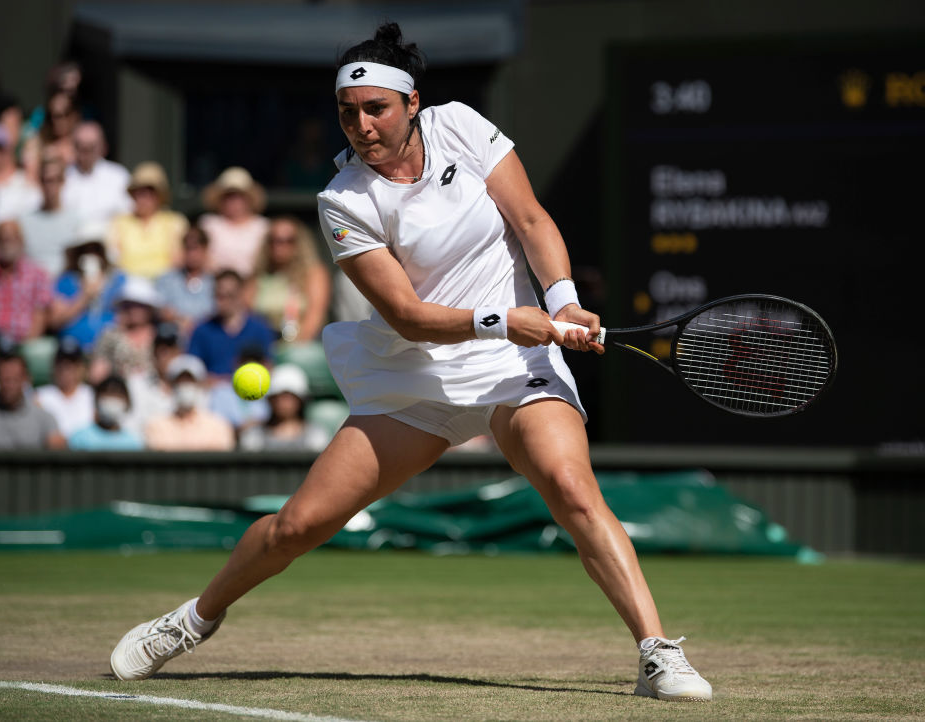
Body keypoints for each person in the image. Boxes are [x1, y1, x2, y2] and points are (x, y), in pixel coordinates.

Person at [109, 24, 713, 702]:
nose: (362, 125)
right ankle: (192, 620)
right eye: (348, 112)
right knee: (297, 526)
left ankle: (656, 653)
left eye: (377, 109)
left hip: (517, 366)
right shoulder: (343, 200)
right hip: (416, 373)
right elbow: (405, 314)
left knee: (572, 489)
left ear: (413, 103)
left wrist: (564, 303)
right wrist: (502, 319)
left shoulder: (462, 126)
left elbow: (533, 221)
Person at [252, 216, 331, 344]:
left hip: (301, 346)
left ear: (299, 243)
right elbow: (248, 315)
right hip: (264, 346)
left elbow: (315, 316)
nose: (279, 246)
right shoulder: (258, 275)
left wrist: (294, 347)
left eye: (288, 240)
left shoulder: (314, 273)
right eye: (273, 240)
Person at [0, 352, 65, 449]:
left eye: (15, 379)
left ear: (26, 379)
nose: (9, 385)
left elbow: (58, 454)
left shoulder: (45, 419)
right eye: (5, 380)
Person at [186, 269, 275, 380]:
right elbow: (193, 372)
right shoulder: (202, 330)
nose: (223, 301)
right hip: (212, 393)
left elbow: (268, 366)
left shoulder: (260, 329)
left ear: (241, 295)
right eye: (219, 296)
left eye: (229, 295)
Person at [106, 162, 187, 279]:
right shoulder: (119, 222)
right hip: (129, 284)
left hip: (164, 284)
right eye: (139, 191)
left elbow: (178, 260)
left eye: (150, 191)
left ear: (160, 195)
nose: (144, 196)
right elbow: (114, 259)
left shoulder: (175, 222)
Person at [49, 233, 126, 352]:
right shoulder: (65, 281)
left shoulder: (118, 280)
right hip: (73, 348)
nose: (91, 255)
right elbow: (56, 321)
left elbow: (129, 316)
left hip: (109, 347)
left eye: (96, 250)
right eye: (85, 250)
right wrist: (84, 296)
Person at [142, 354, 235, 451]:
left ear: (200, 386)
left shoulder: (218, 427)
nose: (185, 386)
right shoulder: (156, 426)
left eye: (190, 382)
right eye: (180, 382)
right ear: (171, 386)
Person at [197, 167, 268, 278]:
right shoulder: (208, 224)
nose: (234, 201)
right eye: (229, 196)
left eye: (239, 196)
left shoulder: (262, 226)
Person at [239, 364, 329, 452]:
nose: (282, 402)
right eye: (277, 396)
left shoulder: (316, 436)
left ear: (300, 400)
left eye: (289, 397)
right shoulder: (254, 436)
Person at [60, 122, 132, 232]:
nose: (86, 153)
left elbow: (128, 214)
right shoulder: (63, 177)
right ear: (74, 148)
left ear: (103, 147)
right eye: (81, 147)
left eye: (91, 147)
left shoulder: (118, 176)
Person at [89, 275, 160, 384]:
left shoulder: (160, 335)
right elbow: (97, 374)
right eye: (129, 305)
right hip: (120, 392)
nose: (133, 310)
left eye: (139, 305)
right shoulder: (111, 335)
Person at [19, 155, 81, 278]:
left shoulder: (77, 221)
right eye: (46, 180)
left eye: (55, 180)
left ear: (63, 181)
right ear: (40, 182)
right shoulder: (24, 221)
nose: (50, 186)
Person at [154, 224, 215, 341]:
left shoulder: (214, 282)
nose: (192, 254)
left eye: (196, 249)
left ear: (205, 250)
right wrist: (180, 321)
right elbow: (160, 308)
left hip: (205, 337)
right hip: (173, 337)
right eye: (188, 249)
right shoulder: (167, 279)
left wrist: (196, 325)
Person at [35, 337, 95, 440]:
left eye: (71, 364)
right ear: (54, 365)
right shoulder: (40, 396)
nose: (66, 369)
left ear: (80, 366)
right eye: (61, 363)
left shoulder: (91, 395)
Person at [68, 374, 144, 451]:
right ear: (97, 399)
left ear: (127, 402)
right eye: (108, 393)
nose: (113, 399)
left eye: (118, 395)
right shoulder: (80, 438)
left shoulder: (133, 443)